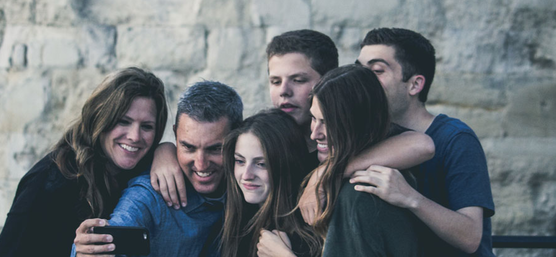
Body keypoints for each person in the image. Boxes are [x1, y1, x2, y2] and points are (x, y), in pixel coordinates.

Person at [152, 29, 435, 215]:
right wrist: (164, 151)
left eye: (298, 80)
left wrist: (327, 173)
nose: (283, 91)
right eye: (275, 81)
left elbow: (421, 144)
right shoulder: (262, 132)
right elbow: (210, 146)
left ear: (328, 81)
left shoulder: (343, 138)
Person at [0, 67, 168, 257]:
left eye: (146, 126)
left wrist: (165, 152)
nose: (135, 136)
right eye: (123, 121)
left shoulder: (136, 176)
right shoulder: (52, 179)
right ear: (101, 118)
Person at [351, 27, 508, 257]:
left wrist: (410, 198)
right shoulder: (369, 139)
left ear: (415, 84)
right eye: (360, 70)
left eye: (377, 71)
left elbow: (470, 236)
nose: (363, 81)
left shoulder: (456, 139)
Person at [258, 64, 429, 257]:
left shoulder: (359, 195)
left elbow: (424, 144)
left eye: (327, 122)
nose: (314, 133)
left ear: (356, 122)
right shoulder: (382, 160)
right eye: (313, 118)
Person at [71, 81, 243, 257]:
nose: (200, 164)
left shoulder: (248, 184)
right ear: (175, 134)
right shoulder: (151, 194)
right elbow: (109, 254)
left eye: (216, 149)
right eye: (188, 147)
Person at [216, 109, 322, 257]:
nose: (246, 175)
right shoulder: (236, 216)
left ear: (286, 165)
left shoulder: (308, 234)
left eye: (261, 164)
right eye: (240, 161)